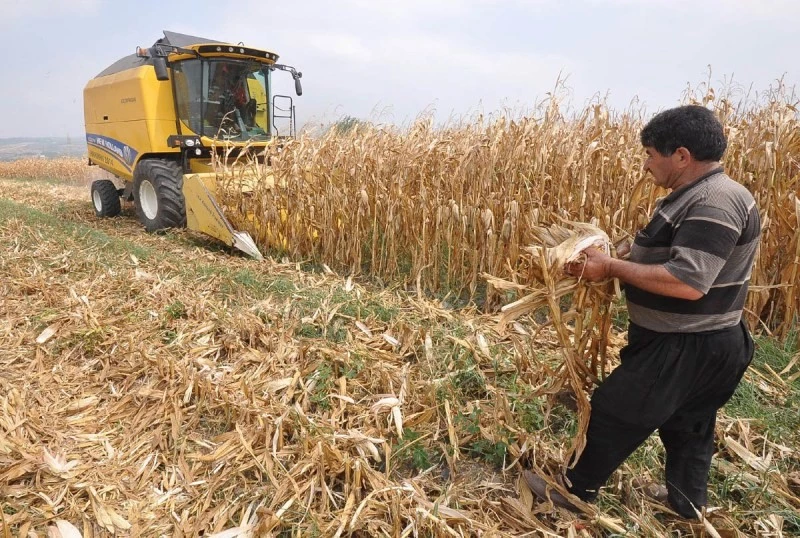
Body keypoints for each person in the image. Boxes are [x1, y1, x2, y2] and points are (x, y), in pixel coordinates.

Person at [523, 105, 761, 519]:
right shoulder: (697, 195)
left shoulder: (714, 203)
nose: (647, 163)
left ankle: (575, 492)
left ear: (682, 156)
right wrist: (610, 254)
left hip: (687, 345)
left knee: (615, 409)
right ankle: (687, 505)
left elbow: (689, 281)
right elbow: (671, 252)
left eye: (651, 154)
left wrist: (612, 268)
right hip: (707, 340)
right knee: (688, 424)